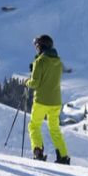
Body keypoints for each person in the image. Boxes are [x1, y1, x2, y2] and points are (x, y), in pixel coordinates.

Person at [26, 35, 70, 164]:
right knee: (54, 129)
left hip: (41, 101)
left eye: (37, 46)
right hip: (56, 101)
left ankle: (38, 152)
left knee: (34, 126)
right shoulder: (58, 62)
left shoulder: (39, 62)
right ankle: (63, 156)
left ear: (41, 47)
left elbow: (34, 83)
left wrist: (26, 82)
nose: (36, 48)